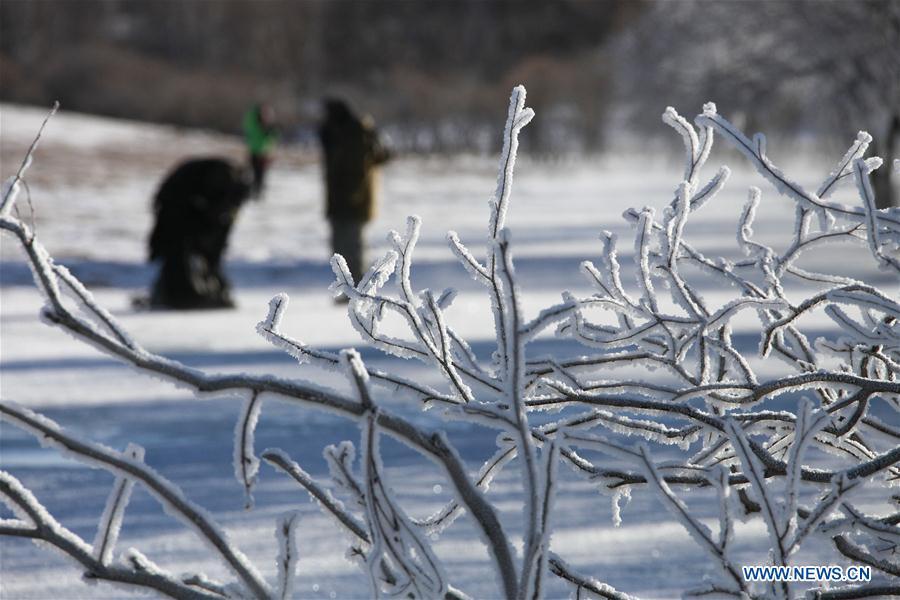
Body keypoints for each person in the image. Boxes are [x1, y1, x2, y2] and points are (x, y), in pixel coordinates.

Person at [147, 157, 252, 309]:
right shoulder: (223, 178)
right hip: (175, 206)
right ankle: (179, 296)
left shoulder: (226, 190)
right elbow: (211, 220)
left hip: (182, 206)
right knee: (178, 250)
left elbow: (218, 229)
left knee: (186, 249)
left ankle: (183, 294)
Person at [318, 98, 391, 289]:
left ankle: (356, 291)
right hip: (342, 201)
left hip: (352, 202)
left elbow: (356, 170)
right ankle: (349, 289)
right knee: (341, 248)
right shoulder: (342, 133)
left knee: (351, 247)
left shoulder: (354, 134)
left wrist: (351, 196)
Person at [242, 102, 278, 198]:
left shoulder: (270, 128)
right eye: (264, 114)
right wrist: (256, 110)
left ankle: (258, 192)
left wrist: (271, 152)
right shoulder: (254, 125)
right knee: (251, 174)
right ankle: (252, 192)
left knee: (261, 175)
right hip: (254, 152)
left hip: (264, 154)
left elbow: (274, 140)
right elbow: (249, 121)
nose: (266, 117)